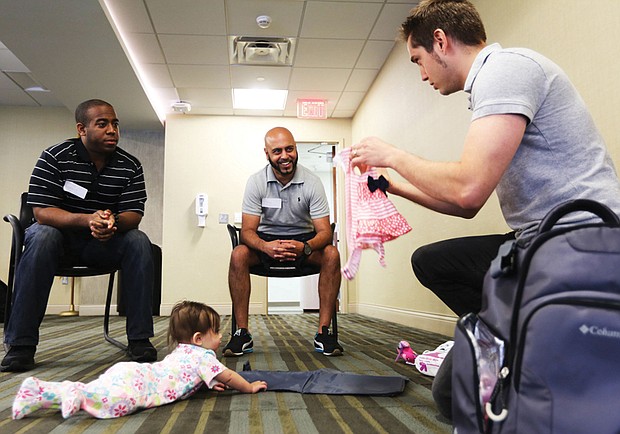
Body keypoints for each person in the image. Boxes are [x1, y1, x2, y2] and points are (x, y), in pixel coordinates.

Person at [349, 0, 620, 419]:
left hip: (582, 243)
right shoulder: (490, 85)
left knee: (452, 395)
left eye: (418, 60)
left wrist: (393, 155)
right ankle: (517, 336)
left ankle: (532, 343)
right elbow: (466, 206)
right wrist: (393, 186)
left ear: (440, 41)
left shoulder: (507, 70)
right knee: (431, 262)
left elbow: (467, 190)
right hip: (536, 242)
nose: (421, 73)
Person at [1, 99, 158, 372]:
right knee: (43, 236)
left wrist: (111, 223)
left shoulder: (129, 165)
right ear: (81, 129)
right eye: (103, 124)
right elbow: (41, 212)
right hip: (58, 241)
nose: (112, 130)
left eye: (115, 124)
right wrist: (87, 220)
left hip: (102, 244)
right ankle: (21, 345)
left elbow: (134, 214)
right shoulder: (54, 157)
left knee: (139, 241)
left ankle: (139, 339)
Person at [12, 300, 268, 419]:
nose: (222, 336)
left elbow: (189, 375)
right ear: (199, 338)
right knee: (117, 403)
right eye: (217, 332)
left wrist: (210, 384)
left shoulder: (182, 350)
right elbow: (230, 376)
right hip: (142, 387)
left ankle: (39, 393)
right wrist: (249, 387)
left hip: (134, 373)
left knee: (96, 388)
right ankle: (78, 397)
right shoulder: (205, 357)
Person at [225, 127, 343, 357]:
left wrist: (305, 247)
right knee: (239, 253)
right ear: (267, 154)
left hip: (303, 243)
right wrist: (265, 246)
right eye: (277, 151)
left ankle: (324, 332)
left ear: (296, 149)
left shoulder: (312, 182)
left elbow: (324, 232)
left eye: (289, 149)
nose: (285, 156)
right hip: (265, 242)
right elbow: (247, 231)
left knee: (331, 254)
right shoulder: (256, 182)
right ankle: (242, 333)